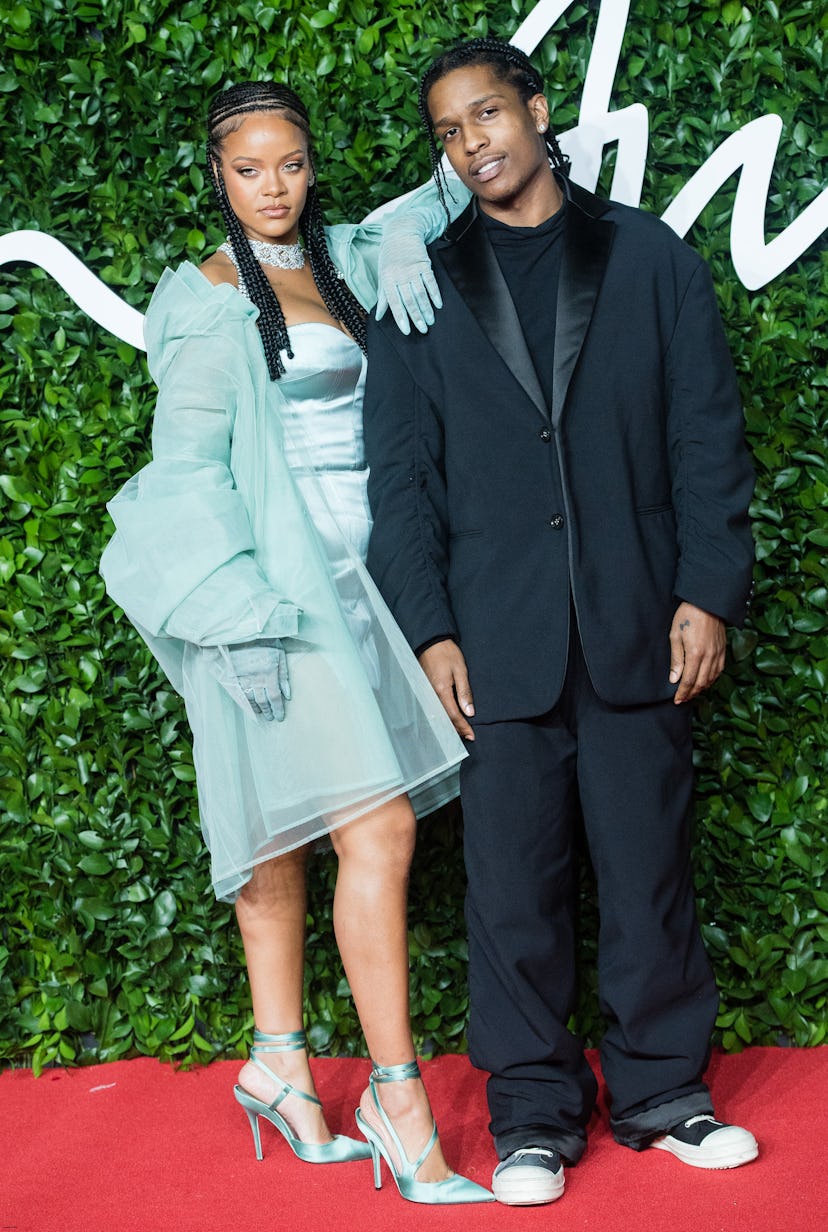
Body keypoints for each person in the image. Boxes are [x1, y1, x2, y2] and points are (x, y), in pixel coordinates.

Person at [363, 37, 758, 1207]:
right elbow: (401, 481)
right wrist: (430, 630)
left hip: (638, 621)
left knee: (648, 874)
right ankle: (533, 1114)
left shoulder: (650, 257)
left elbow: (707, 439)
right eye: (448, 131)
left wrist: (708, 590)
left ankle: (664, 1092)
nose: (471, 143)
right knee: (511, 891)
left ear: (537, 112)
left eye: (486, 114)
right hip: (496, 640)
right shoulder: (421, 288)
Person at [100, 80, 492, 1206]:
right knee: (378, 827)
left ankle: (279, 1062)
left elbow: (456, 185)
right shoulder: (210, 304)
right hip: (279, 595)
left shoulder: (346, 260)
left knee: (280, 829)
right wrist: (239, 616)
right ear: (217, 178)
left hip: (368, 586)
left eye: (291, 164)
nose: (272, 187)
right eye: (248, 169)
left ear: (312, 166)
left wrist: (410, 229)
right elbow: (184, 474)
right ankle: (400, 1103)